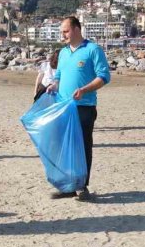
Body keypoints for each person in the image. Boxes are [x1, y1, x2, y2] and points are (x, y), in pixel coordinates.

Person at [46, 17, 110, 202]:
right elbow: (58, 75)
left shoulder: (93, 50)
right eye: (61, 32)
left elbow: (104, 77)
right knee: (63, 147)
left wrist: (84, 90)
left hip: (84, 107)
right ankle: (67, 186)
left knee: (82, 147)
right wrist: (53, 85)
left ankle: (82, 186)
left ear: (76, 29)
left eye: (65, 31)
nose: (62, 35)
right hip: (63, 108)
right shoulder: (64, 53)